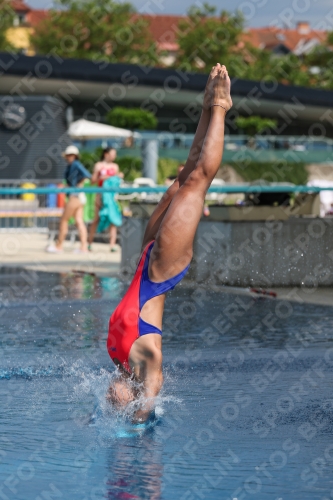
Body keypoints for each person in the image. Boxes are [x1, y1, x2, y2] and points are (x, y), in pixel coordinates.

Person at [106, 63, 232, 422]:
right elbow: (146, 407)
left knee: (181, 180)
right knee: (198, 181)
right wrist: (138, 419)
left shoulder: (118, 359)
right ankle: (221, 108)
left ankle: (207, 106)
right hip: (161, 271)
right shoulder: (149, 365)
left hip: (146, 261)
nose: (109, 396)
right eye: (118, 401)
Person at [46, 145, 91, 253]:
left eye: (70, 155)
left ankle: (59, 246)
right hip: (78, 196)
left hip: (75, 196)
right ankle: (84, 247)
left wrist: (78, 184)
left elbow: (86, 175)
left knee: (64, 220)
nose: (68, 157)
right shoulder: (71, 166)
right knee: (79, 221)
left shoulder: (75, 165)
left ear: (74, 156)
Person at [88, 148, 124, 252]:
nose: (114, 156)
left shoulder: (115, 166)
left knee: (113, 219)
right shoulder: (99, 165)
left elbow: (117, 181)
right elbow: (92, 181)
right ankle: (89, 242)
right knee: (96, 219)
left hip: (111, 195)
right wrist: (101, 177)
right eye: (113, 154)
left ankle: (112, 245)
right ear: (106, 154)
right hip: (100, 194)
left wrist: (118, 176)